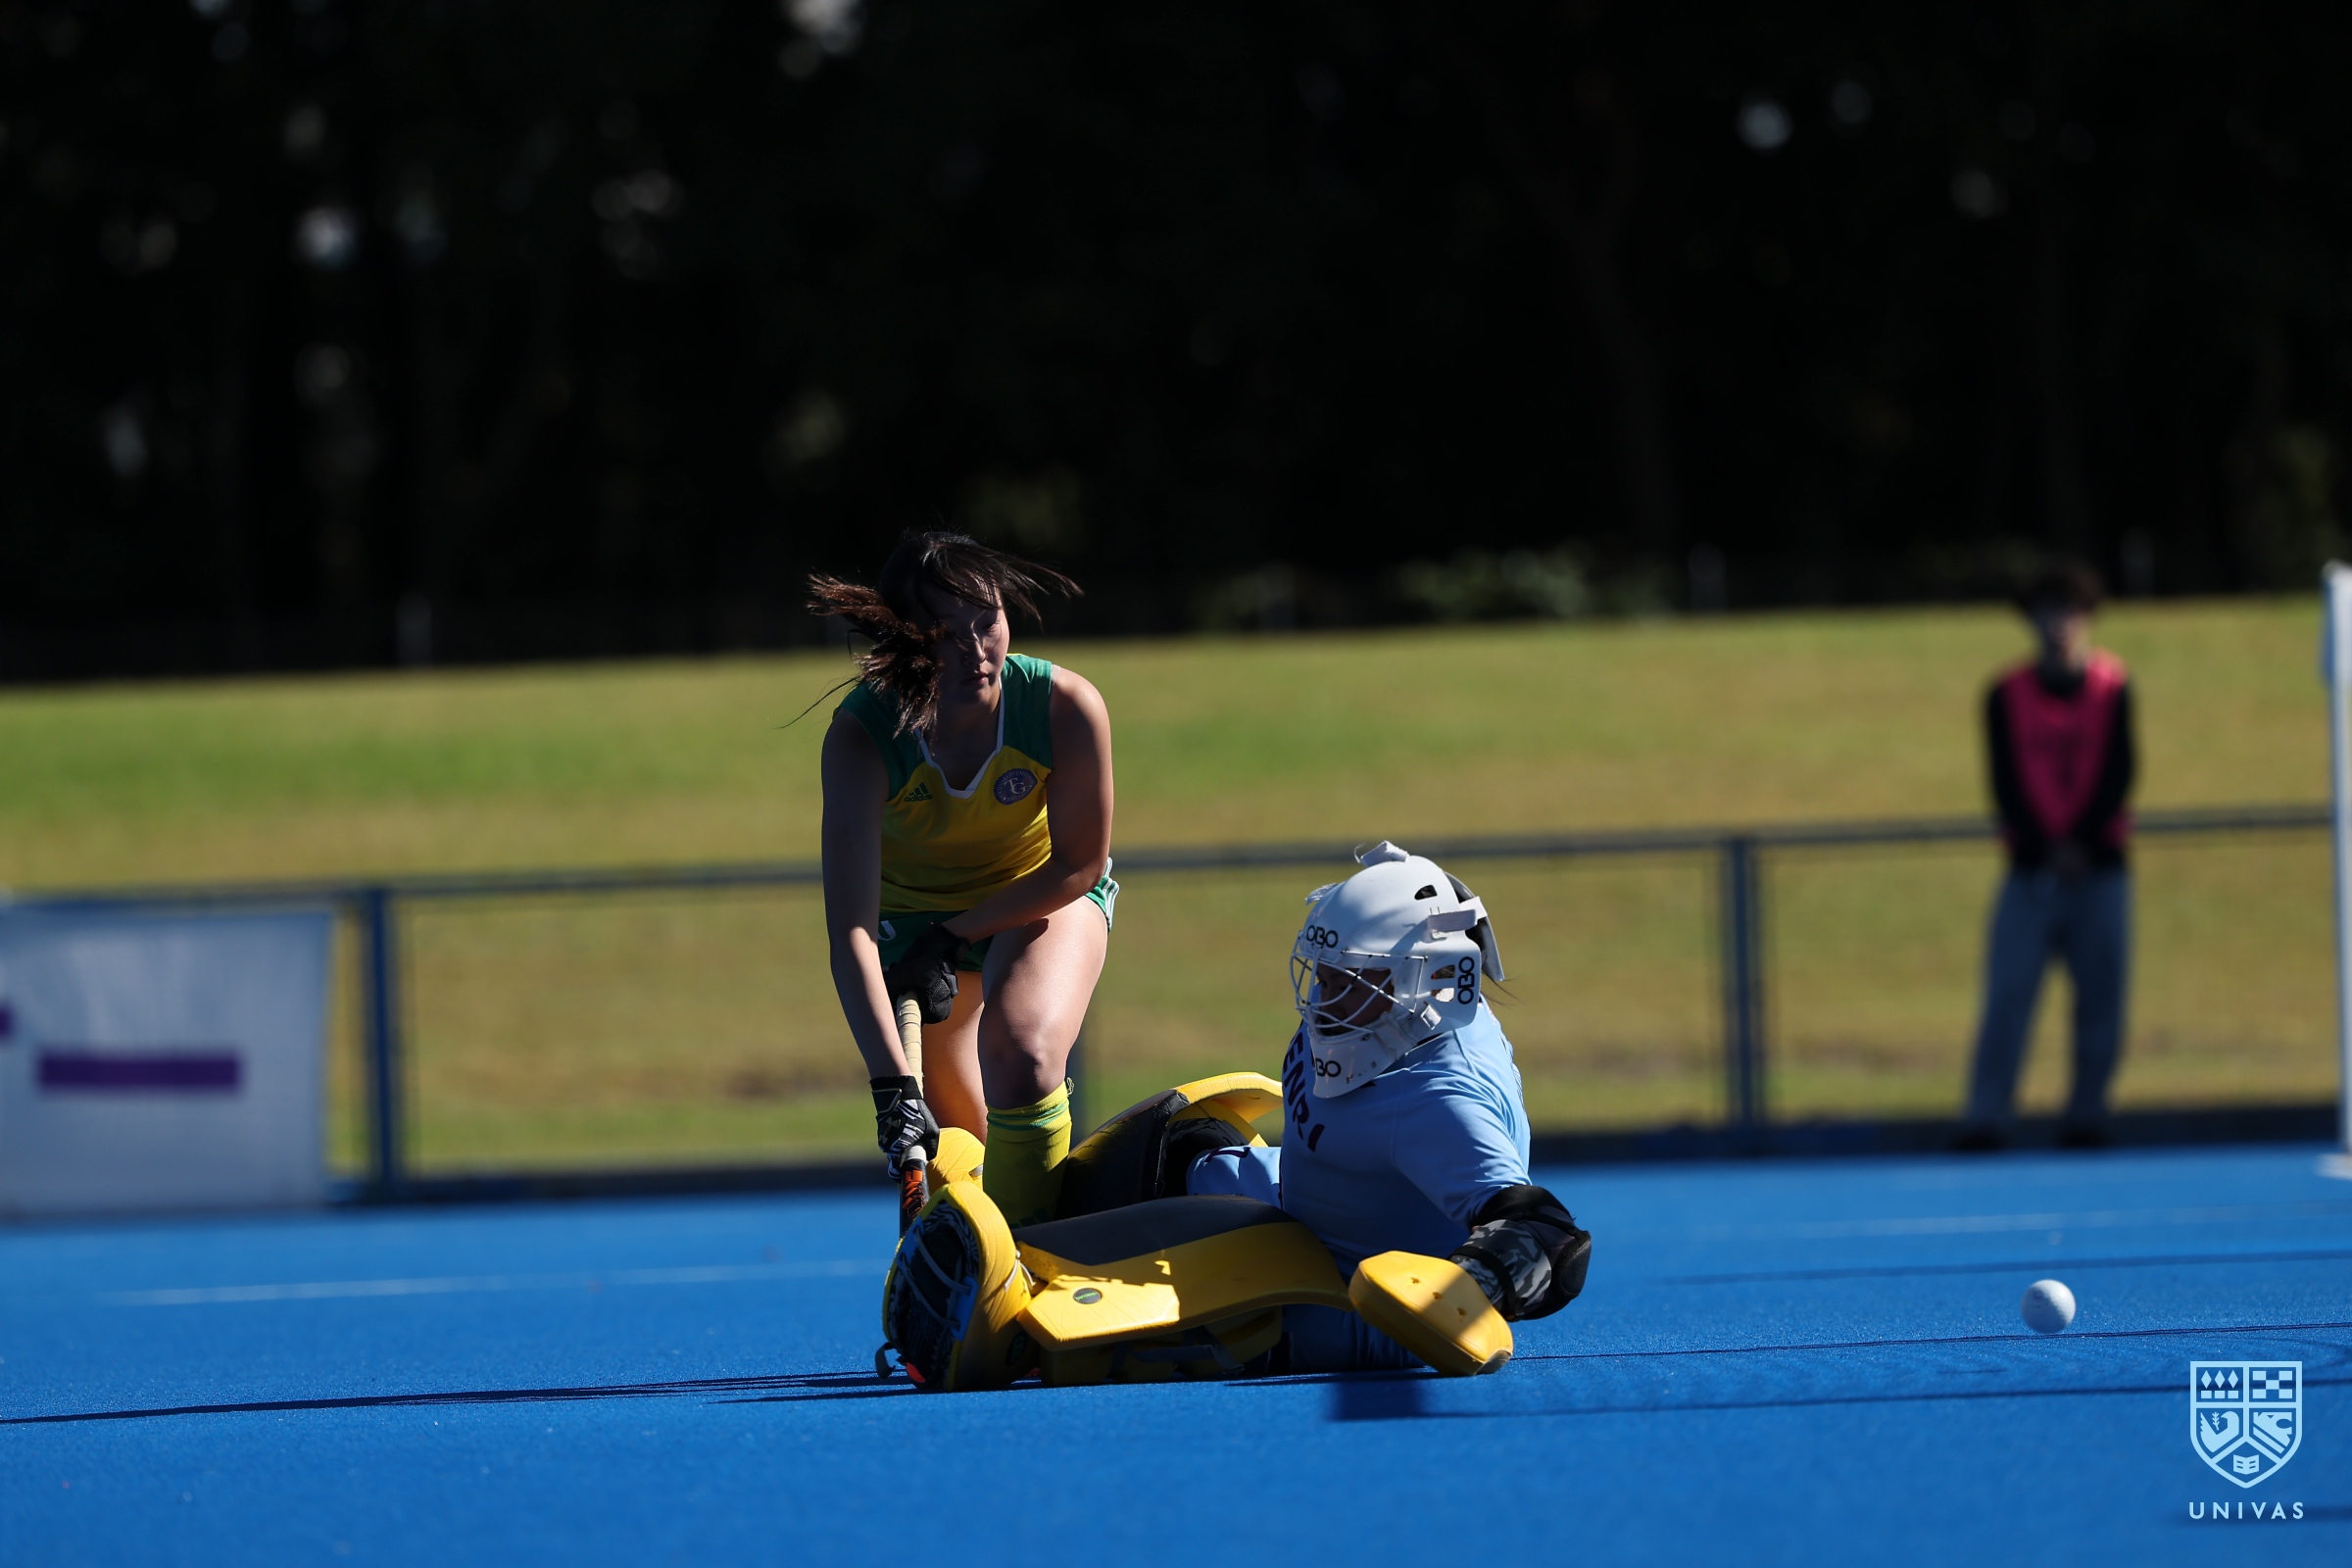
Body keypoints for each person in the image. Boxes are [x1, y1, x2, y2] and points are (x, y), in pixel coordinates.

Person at [1179, 841, 1591, 1371]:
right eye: (1324, 974)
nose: (1323, 998)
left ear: (1423, 980)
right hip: (1307, 1214)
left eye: (1348, 980)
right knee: (1158, 1152)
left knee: (1140, 1326)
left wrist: (1462, 1291)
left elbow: (1547, 1234)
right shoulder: (1379, 1014)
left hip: (1347, 1302)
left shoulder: (1440, 1096)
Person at [811, 532, 1116, 1226]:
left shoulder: (1064, 705)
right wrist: (891, 1087)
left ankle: (1045, 1251)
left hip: (1040, 894)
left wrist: (953, 935)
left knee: (1025, 1058)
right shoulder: (862, 737)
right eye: (944, 634)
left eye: (988, 622)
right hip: (909, 929)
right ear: (900, 640)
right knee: (965, 1148)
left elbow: (1078, 865)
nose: (976, 651)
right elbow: (852, 931)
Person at [1957, 560, 2136, 1151]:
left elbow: (2119, 772)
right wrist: (2046, 848)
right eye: (2048, 612)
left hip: (2100, 869)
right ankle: (1987, 1116)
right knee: (2008, 996)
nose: (2060, 624)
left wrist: (2081, 844)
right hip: (2030, 870)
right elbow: (2004, 782)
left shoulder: (2113, 685)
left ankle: (2088, 1113)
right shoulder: (2005, 693)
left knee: (2101, 1000)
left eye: (2072, 612)